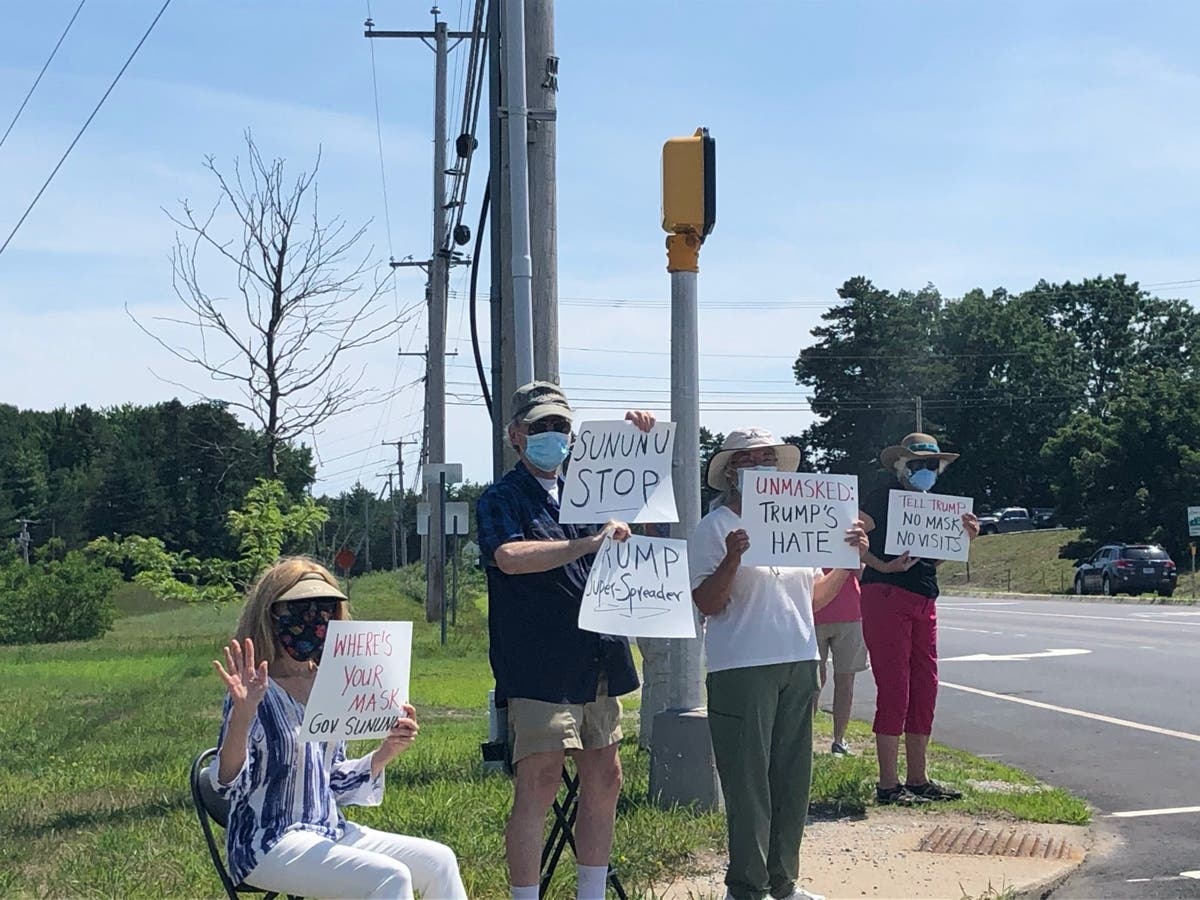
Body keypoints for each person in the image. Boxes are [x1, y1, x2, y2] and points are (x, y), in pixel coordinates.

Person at [476, 381, 656, 900]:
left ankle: (591, 893)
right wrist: (586, 542)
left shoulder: (593, 488)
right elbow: (508, 557)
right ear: (516, 435)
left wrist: (638, 441)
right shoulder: (502, 498)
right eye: (541, 427)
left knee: (607, 776)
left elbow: (639, 493)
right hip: (538, 663)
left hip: (600, 654)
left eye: (561, 427)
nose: (553, 436)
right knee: (539, 781)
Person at [208, 557, 467, 900]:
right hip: (267, 840)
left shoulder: (330, 681)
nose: (314, 619)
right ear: (271, 613)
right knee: (390, 877)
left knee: (439, 861)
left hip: (329, 828)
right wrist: (241, 717)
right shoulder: (254, 687)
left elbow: (331, 780)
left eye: (324, 608)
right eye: (299, 607)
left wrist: (383, 754)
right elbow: (227, 784)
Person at [689, 428, 869, 900]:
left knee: (792, 780)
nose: (761, 464)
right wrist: (732, 559)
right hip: (742, 667)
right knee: (748, 784)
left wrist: (847, 565)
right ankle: (746, 888)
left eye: (768, 457)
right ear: (730, 472)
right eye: (749, 459)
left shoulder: (794, 524)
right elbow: (707, 603)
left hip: (799, 660)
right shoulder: (712, 529)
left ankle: (783, 883)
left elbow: (812, 598)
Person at [858, 432, 980, 806]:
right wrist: (883, 565)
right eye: (917, 464)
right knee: (895, 688)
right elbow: (850, 538)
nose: (925, 471)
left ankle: (917, 777)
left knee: (925, 687)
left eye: (931, 465)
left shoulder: (936, 507)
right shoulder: (881, 498)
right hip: (884, 595)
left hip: (924, 597)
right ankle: (887, 783)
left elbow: (929, 560)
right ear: (901, 466)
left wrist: (962, 540)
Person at [812, 567, 868, 756]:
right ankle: (805, 739)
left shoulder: (849, 538)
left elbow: (864, 576)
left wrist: (858, 560)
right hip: (813, 614)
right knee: (813, 682)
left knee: (845, 681)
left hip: (850, 614)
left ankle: (839, 740)